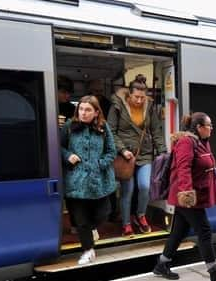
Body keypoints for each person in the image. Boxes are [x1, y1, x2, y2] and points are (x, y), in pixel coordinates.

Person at [153, 112, 216, 281]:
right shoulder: (187, 142)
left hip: (192, 194)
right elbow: (183, 168)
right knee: (204, 230)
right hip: (187, 196)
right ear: (199, 127)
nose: (212, 129)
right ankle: (215, 272)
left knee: (179, 231)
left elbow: (205, 166)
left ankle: (162, 264)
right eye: (209, 125)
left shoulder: (200, 142)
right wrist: (186, 194)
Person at [60, 95, 117, 265]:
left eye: (88, 110)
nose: (83, 113)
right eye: (81, 109)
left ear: (96, 112)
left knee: (104, 213)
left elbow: (111, 151)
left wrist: (101, 164)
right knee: (81, 220)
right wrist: (68, 155)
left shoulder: (103, 127)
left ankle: (92, 229)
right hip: (76, 180)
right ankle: (88, 250)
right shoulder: (70, 126)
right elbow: (59, 146)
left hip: (100, 180)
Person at [108, 74, 167, 236]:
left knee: (145, 187)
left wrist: (163, 152)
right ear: (129, 94)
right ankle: (126, 223)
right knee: (128, 191)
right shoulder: (117, 106)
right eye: (136, 97)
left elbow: (156, 131)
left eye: (143, 97)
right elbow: (110, 131)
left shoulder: (149, 107)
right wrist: (122, 150)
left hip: (144, 154)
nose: (140, 100)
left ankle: (141, 215)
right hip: (125, 156)